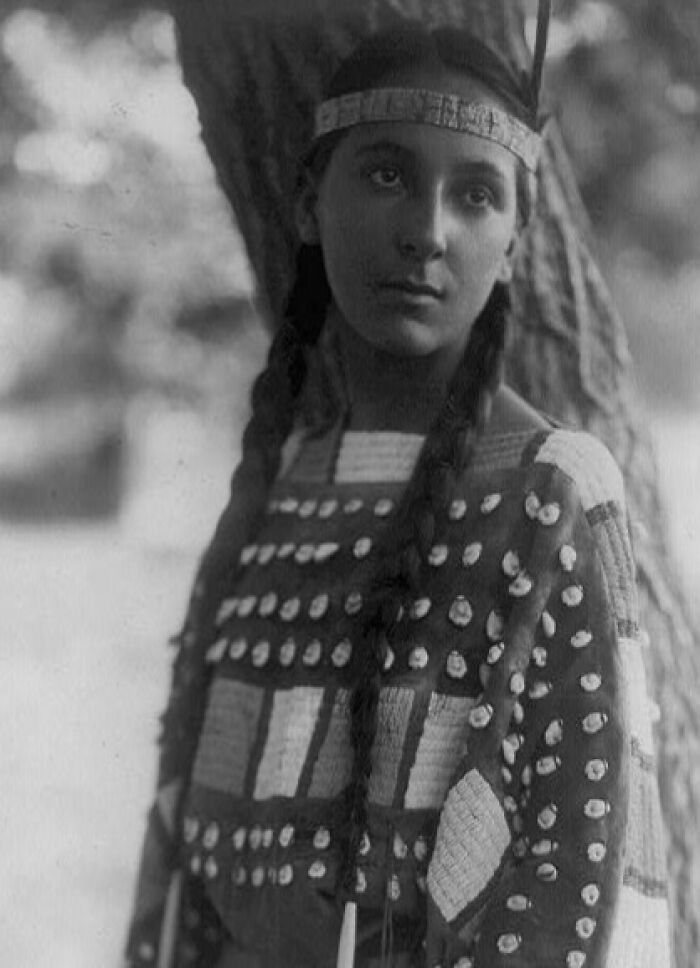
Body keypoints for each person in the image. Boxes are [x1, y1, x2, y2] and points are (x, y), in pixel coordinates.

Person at [125, 15, 670, 968]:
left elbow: (574, 898)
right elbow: (181, 884)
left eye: (474, 194)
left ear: (513, 239)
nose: (425, 232)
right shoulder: (278, 494)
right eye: (385, 174)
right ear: (308, 202)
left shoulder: (551, 497)